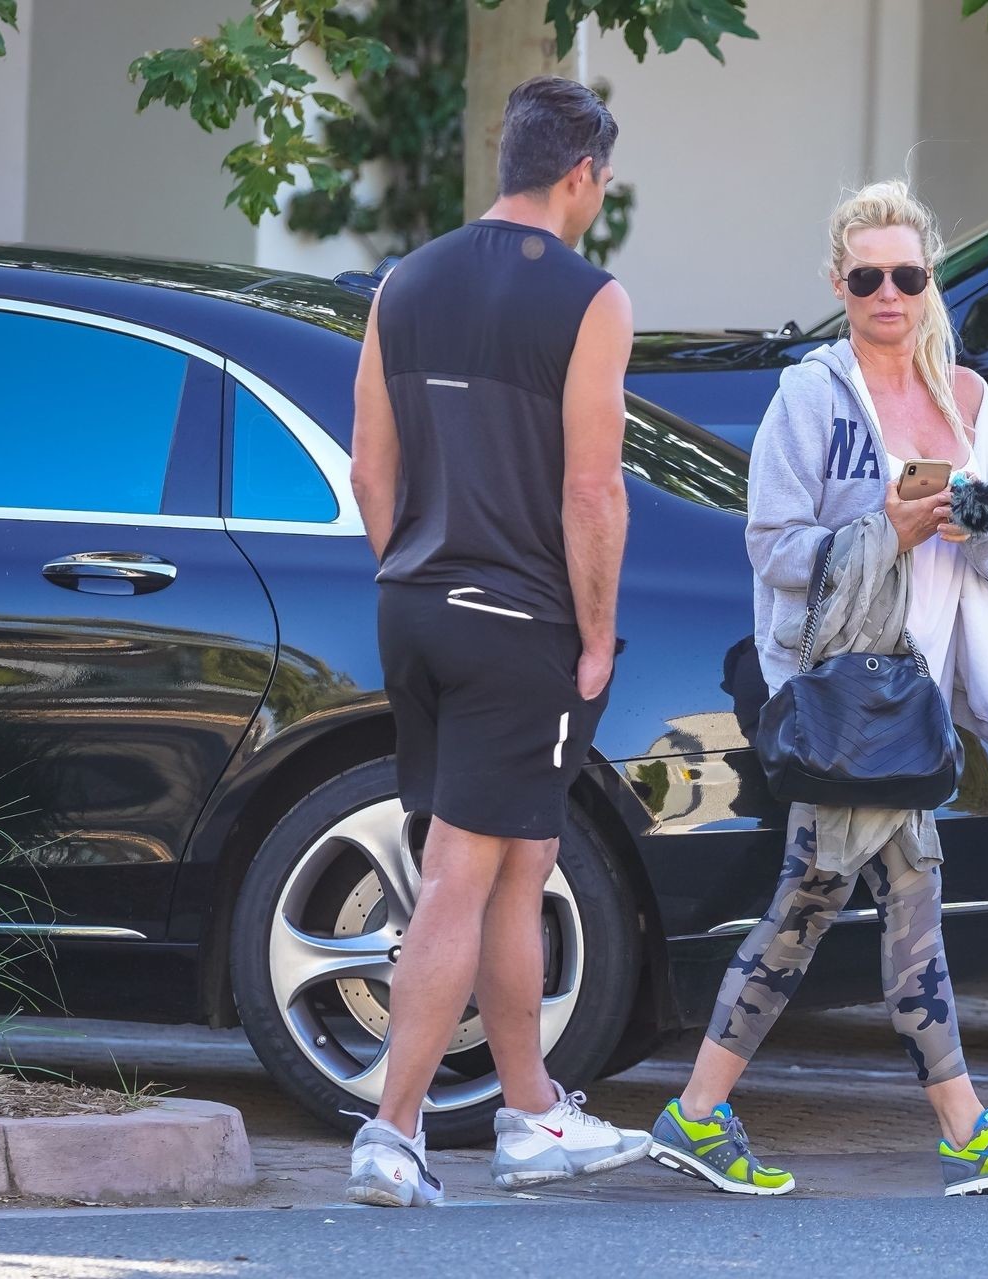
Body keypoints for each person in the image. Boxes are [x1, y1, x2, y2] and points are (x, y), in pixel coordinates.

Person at [645, 179, 988, 1199]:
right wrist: (884, 531)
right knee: (820, 898)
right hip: (847, 691)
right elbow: (773, 547)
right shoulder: (812, 397)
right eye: (866, 279)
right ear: (838, 286)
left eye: (906, 275)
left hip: (917, 694)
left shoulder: (966, 399)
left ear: (930, 280)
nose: (888, 293)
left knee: (895, 899)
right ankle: (708, 1114)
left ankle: (948, 1126)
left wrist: (979, 517)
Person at [344, 75, 648, 1208]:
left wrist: (416, 569)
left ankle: (530, 1116)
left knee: (524, 856)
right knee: (459, 876)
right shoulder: (592, 299)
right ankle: (391, 1131)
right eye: (601, 180)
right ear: (582, 176)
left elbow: (369, 468)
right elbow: (592, 489)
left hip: (414, 604)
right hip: (519, 622)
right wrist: (598, 634)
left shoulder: (404, 283)